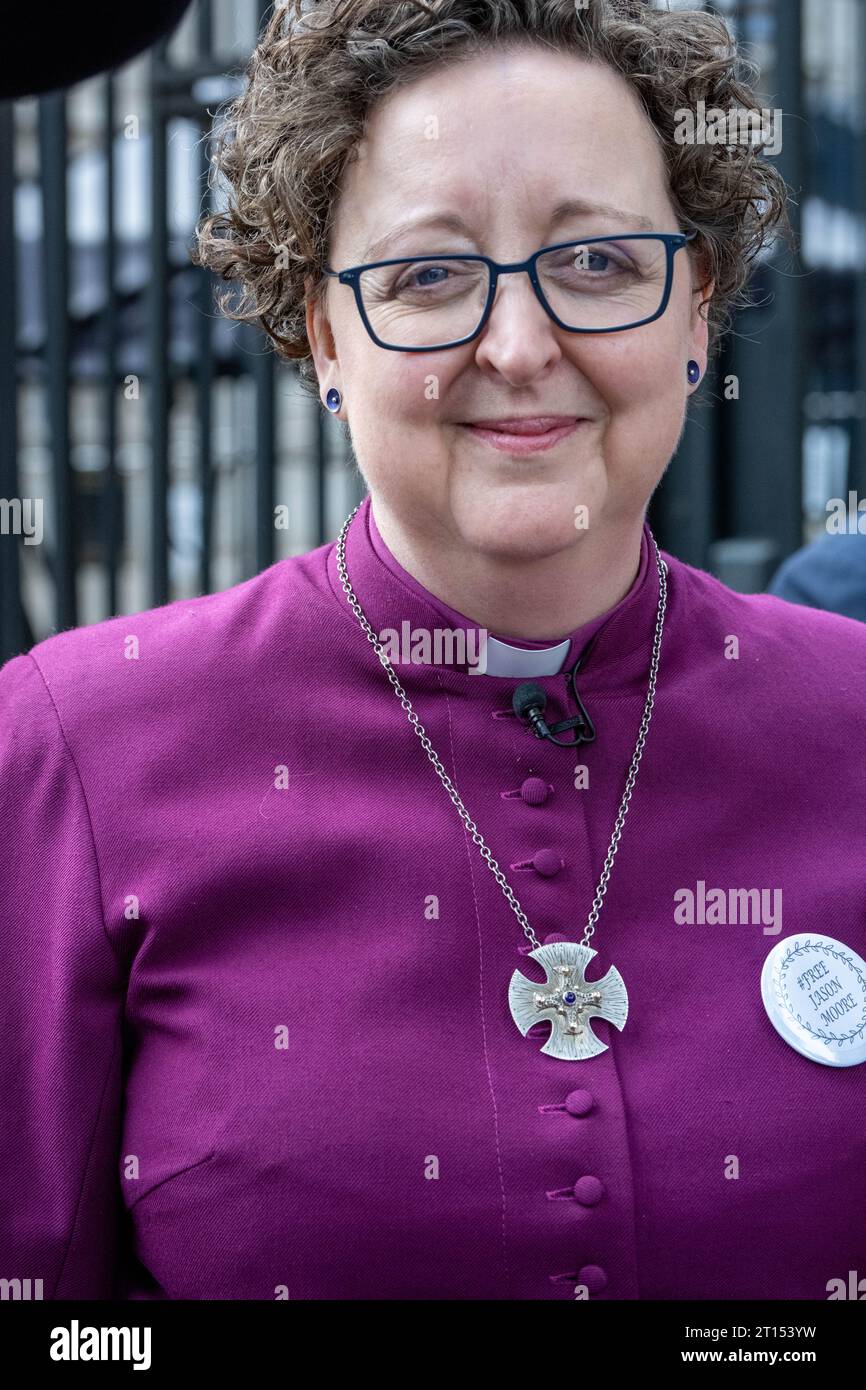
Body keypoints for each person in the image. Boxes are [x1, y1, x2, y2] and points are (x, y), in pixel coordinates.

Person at [2, 0, 865, 1302]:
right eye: (426, 275)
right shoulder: (70, 744)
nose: (518, 348)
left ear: (696, 311)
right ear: (324, 333)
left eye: (597, 263)